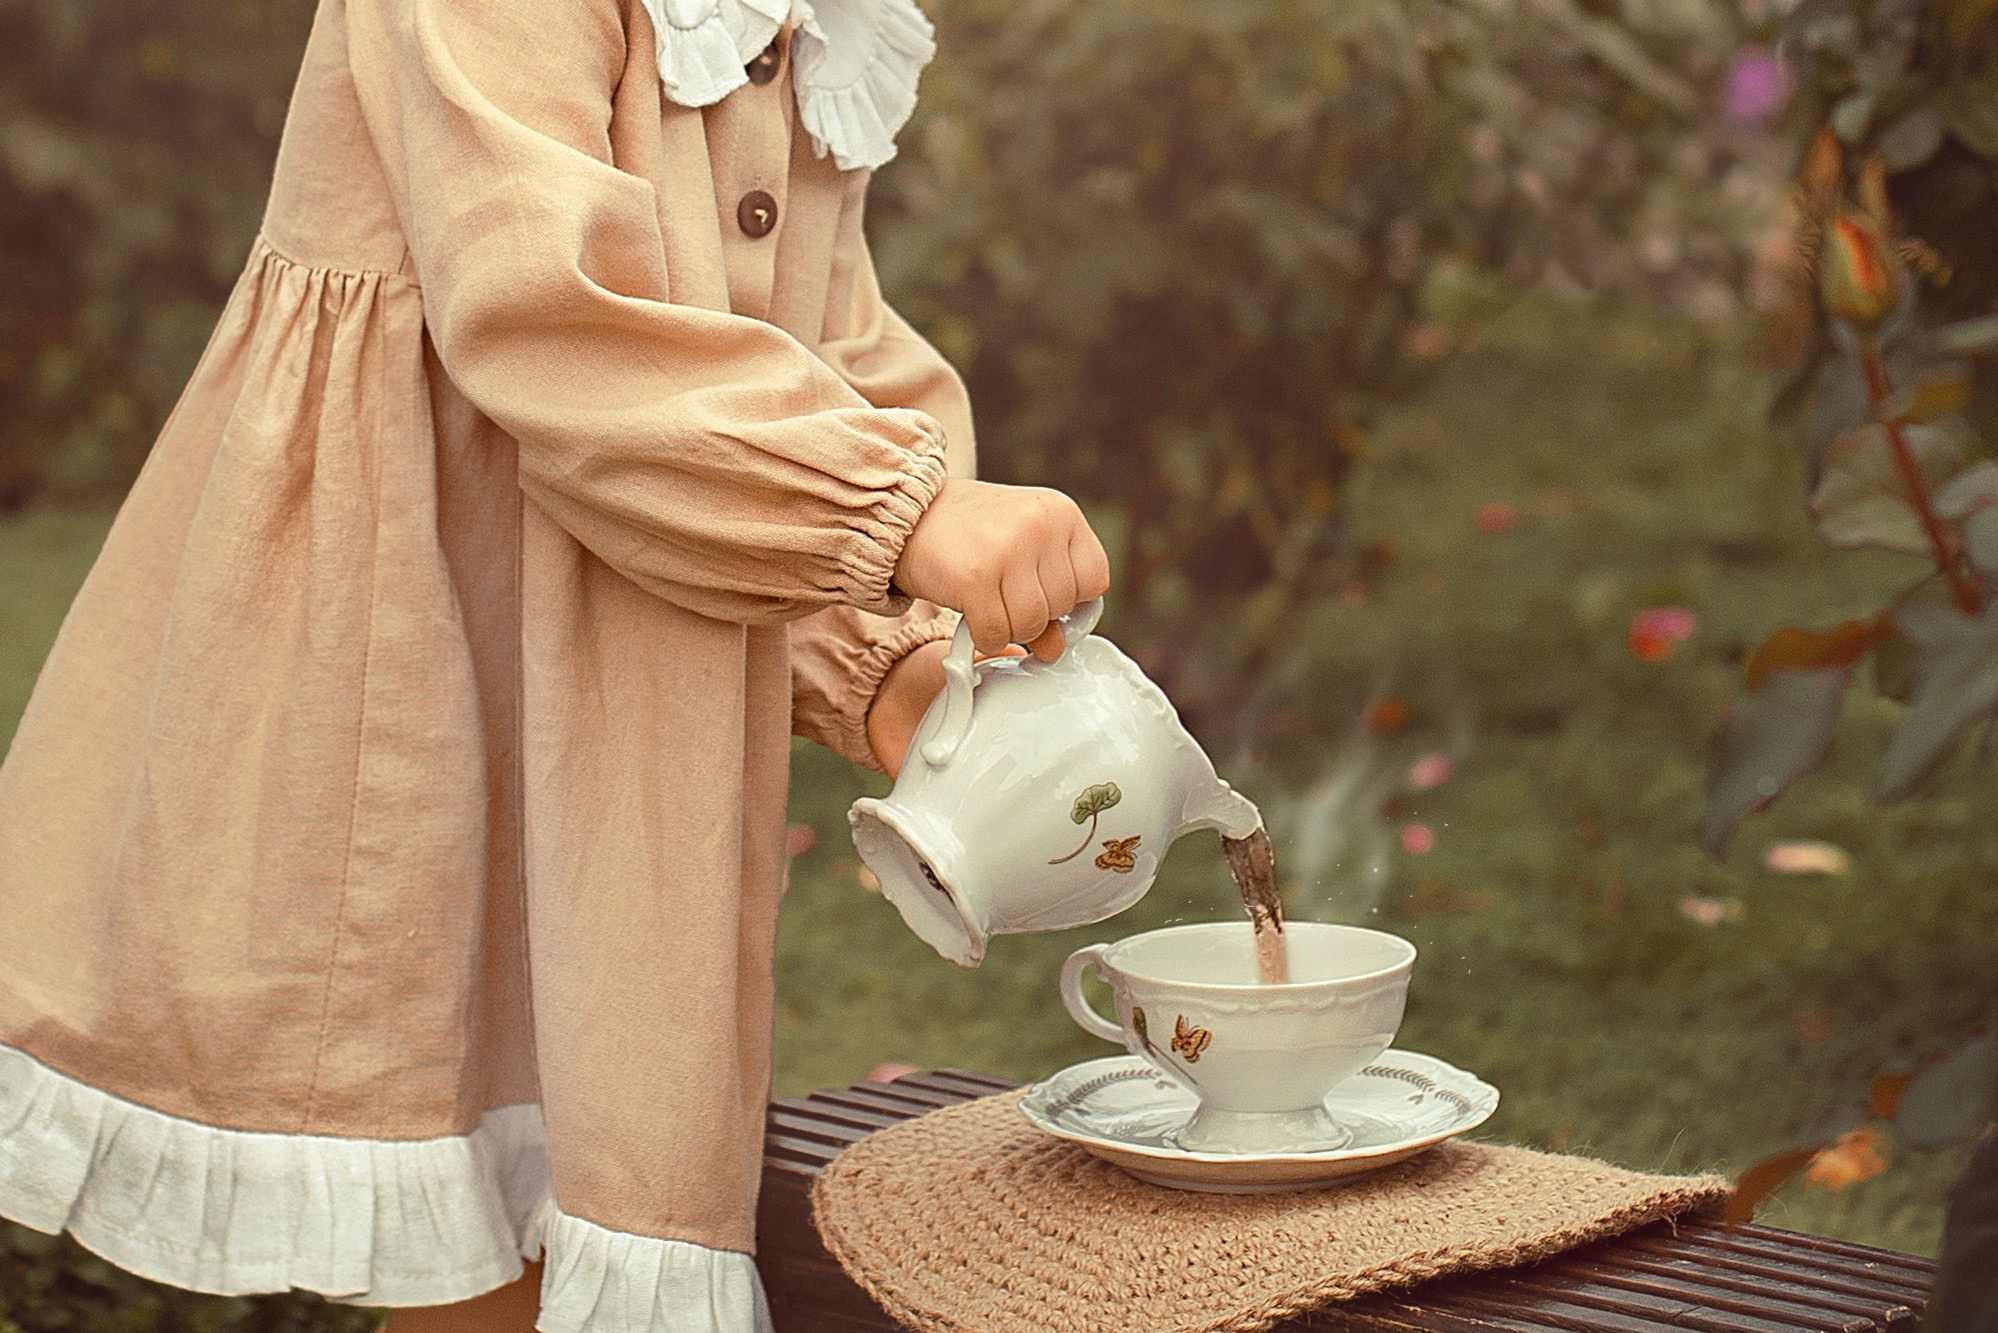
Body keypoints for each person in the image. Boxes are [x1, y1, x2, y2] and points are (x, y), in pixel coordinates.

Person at [0, 0, 1109, 1330]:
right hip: (414, 657)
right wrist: (898, 508)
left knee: (579, 1144)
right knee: (466, 1149)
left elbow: (806, 343)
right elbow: (548, 317)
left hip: (621, 652)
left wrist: (886, 657)